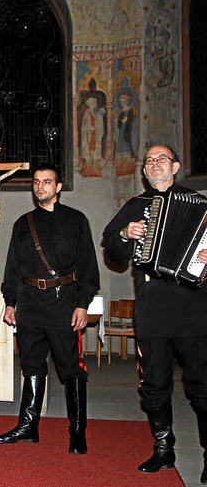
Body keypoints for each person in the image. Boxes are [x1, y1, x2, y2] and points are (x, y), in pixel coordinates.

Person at [103, 144, 207, 483]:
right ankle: (164, 449)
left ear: (175, 167)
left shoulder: (202, 205)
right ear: (144, 171)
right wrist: (124, 233)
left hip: (194, 306)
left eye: (161, 158)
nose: (154, 164)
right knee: (155, 381)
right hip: (151, 305)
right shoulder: (135, 206)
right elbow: (113, 248)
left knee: (202, 382)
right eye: (149, 160)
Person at [0, 162, 100, 455]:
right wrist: (10, 302)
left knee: (71, 369)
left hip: (63, 304)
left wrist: (82, 305)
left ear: (59, 187)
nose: (40, 187)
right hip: (29, 305)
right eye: (37, 182)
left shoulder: (76, 221)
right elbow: (12, 268)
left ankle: (77, 432)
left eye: (47, 182)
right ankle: (28, 426)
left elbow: (88, 267)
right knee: (31, 366)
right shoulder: (22, 223)